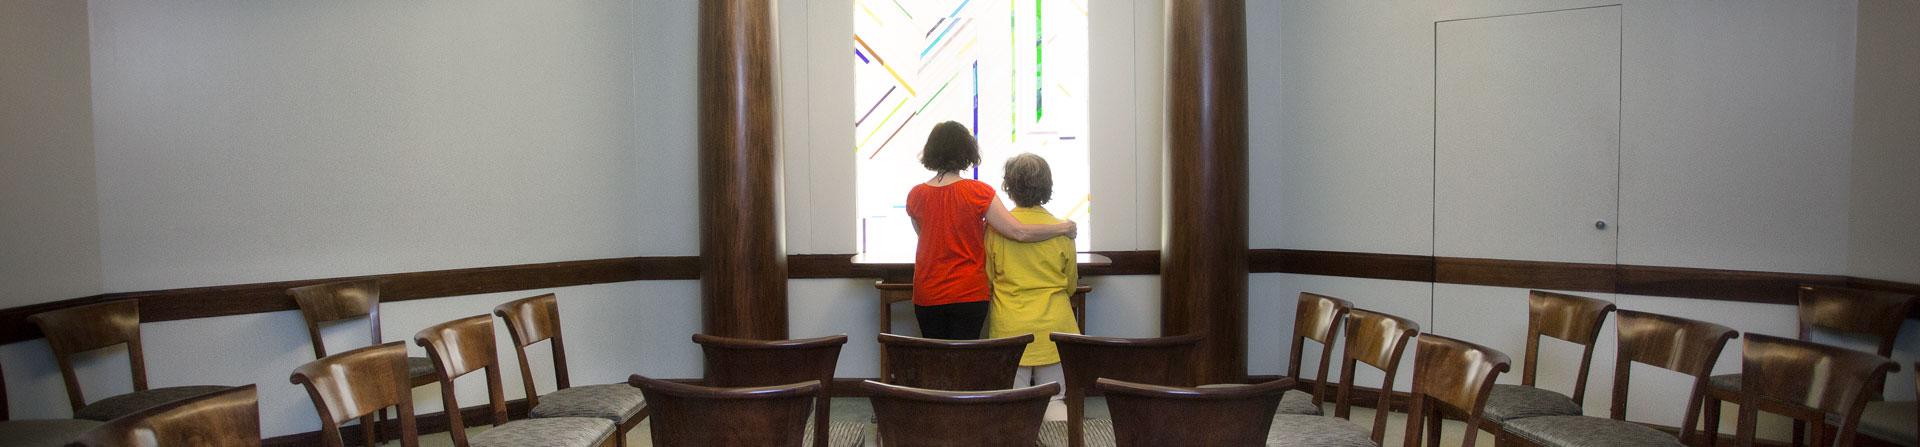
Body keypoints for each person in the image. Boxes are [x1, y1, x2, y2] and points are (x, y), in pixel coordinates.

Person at [906, 121, 1074, 340]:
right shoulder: (978, 192)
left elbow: (926, 236)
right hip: (968, 294)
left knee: (936, 361)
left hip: (927, 292)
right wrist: (1063, 227)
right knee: (966, 361)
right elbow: (1019, 232)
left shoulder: (915, 195)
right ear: (966, 152)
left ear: (931, 151)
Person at [985, 153, 1078, 421]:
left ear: (1009, 187)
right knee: (1055, 402)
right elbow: (1071, 285)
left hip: (1010, 330)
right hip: (1055, 328)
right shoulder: (1063, 231)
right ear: (1047, 186)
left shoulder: (996, 230)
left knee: (1013, 408)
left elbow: (988, 280)